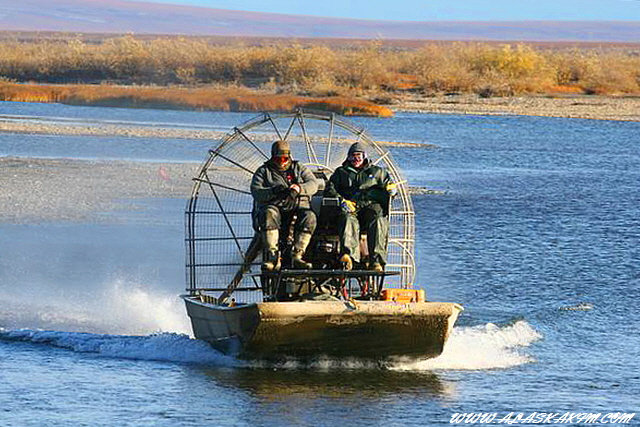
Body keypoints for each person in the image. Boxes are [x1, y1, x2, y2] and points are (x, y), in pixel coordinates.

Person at [326, 142, 397, 272]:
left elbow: (389, 185)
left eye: (358, 156)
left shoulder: (377, 172)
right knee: (347, 218)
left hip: (371, 207)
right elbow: (330, 189)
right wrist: (342, 200)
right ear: (348, 157)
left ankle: (376, 261)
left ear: (364, 156)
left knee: (378, 220)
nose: (355, 159)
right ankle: (349, 257)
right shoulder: (341, 172)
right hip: (351, 207)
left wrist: (392, 189)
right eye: (352, 156)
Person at [251, 140, 319, 271]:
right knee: (268, 214)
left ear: (289, 156)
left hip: (297, 207)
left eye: (284, 158)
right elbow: (256, 191)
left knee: (310, 217)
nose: (281, 162)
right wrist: (273, 191)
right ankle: (272, 256)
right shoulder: (264, 171)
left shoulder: (298, 168)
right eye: (278, 159)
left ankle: (297, 255)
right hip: (275, 208)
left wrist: (298, 188)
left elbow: (313, 184)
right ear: (272, 156)